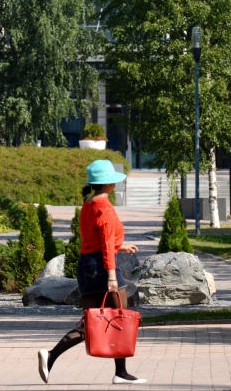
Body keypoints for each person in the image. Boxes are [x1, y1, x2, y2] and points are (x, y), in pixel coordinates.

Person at [37, 160, 147, 385]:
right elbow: (105, 243)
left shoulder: (89, 203)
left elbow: (95, 240)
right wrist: (112, 277)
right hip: (102, 268)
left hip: (88, 265)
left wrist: (120, 246)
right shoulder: (104, 208)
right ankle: (120, 372)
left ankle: (52, 357)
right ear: (107, 184)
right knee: (119, 318)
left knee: (95, 321)